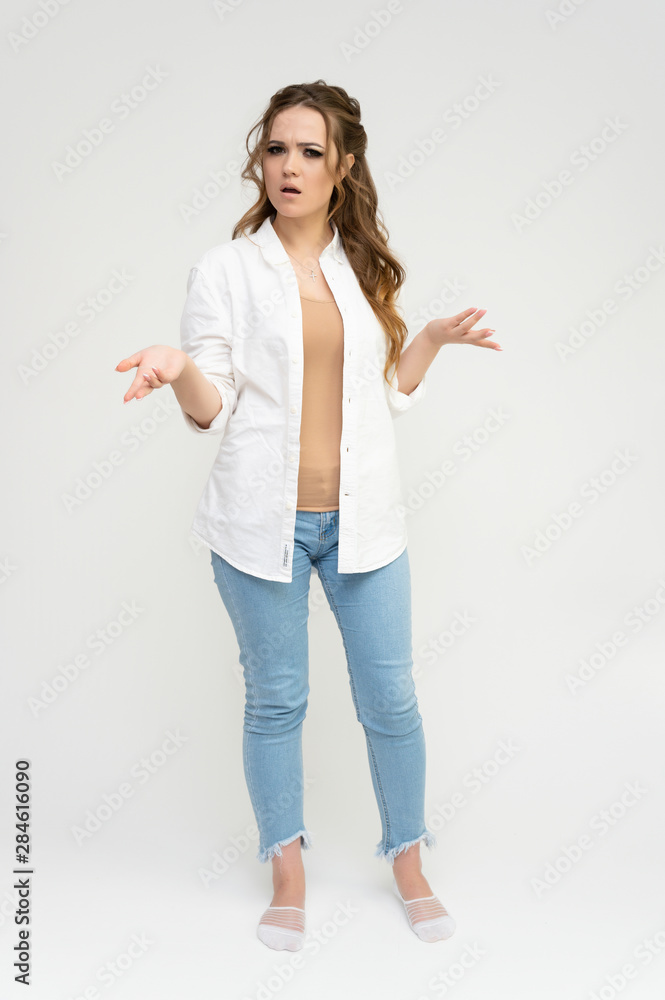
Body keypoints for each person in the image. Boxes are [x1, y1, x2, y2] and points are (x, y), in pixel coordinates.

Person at [115, 80, 501, 950]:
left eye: (310, 152)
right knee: (276, 701)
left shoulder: (360, 267)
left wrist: (430, 340)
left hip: (366, 524)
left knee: (391, 700)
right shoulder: (224, 270)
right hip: (261, 524)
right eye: (276, 149)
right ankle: (286, 871)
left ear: (343, 167)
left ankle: (408, 861)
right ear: (260, 160)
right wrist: (177, 367)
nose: (289, 167)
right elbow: (211, 408)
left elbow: (383, 394)